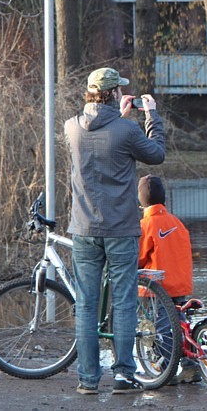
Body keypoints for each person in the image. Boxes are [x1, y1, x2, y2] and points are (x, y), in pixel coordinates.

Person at [64, 67, 165, 395]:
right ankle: (123, 375)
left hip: (83, 229)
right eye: (120, 90)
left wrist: (119, 119)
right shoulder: (127, 130)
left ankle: (88, 380)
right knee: (122, 302)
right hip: (120, 229)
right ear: (112, 94)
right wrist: (151, 115)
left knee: (86, 304)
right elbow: (156, 154)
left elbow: (99, 142)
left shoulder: (71, 128)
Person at [137, 174, 201, 385]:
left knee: (161, 327)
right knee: (182, 323)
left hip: (158, 288)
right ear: (164, 198)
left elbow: (139, 257)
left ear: (141, 199)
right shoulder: (177, 222)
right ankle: (190, 367)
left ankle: (164, 370)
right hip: (180, 283)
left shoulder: (146, 225)